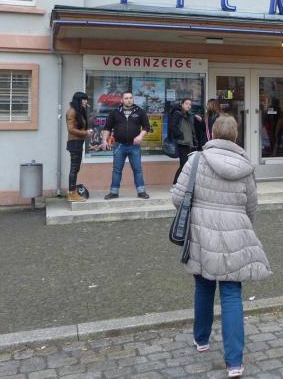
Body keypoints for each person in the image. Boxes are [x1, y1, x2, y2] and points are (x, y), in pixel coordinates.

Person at [172, 115, 271, 379]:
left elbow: (178, 198)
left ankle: (201, 339)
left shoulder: (196, 160)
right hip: (235, 233)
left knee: (203, 285)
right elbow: (251, 206)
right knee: (231, 294)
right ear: (236, 135)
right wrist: (240, 224)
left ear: (212, 134)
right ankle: (235, 362)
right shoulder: (246, 166)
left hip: (201, 233)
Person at [101, 91, 151, 199]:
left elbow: (147, 127)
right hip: (119, 146)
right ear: (122, 100)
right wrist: (104, 140)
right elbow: (107, 127)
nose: (129, 100)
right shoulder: (115, 112)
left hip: (134, 146)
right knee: (117, 170)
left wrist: (140, 136)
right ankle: (114, 192)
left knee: (137, 170)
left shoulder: (140, 112)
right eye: (126, 98)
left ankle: (141, 192)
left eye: (130, 98)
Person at [65, 91, 93, 202]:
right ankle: (72, 193)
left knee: (76, 168)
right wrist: (85, 132)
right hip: (74, 142)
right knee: (74, 168)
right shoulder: (71, 112)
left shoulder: (79, 111)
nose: (86, 101)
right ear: (78, 100)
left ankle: (72, 192)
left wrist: (86, 131)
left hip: (78, 142)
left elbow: (80, 127)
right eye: (84, 99)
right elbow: (71, 129)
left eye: (86, 99)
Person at [169, 97, 198, 185]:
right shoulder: (178, 114)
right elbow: (172, 126)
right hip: (182, 143)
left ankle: (184, 184)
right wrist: (180, 135)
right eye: (186, 103)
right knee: (183, 165)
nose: (188, 106)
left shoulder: (189, 115)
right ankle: (175, 184)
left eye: (190, 104)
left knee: (188, 165)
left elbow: (192, 130)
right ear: (182, 104)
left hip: (189, 144)